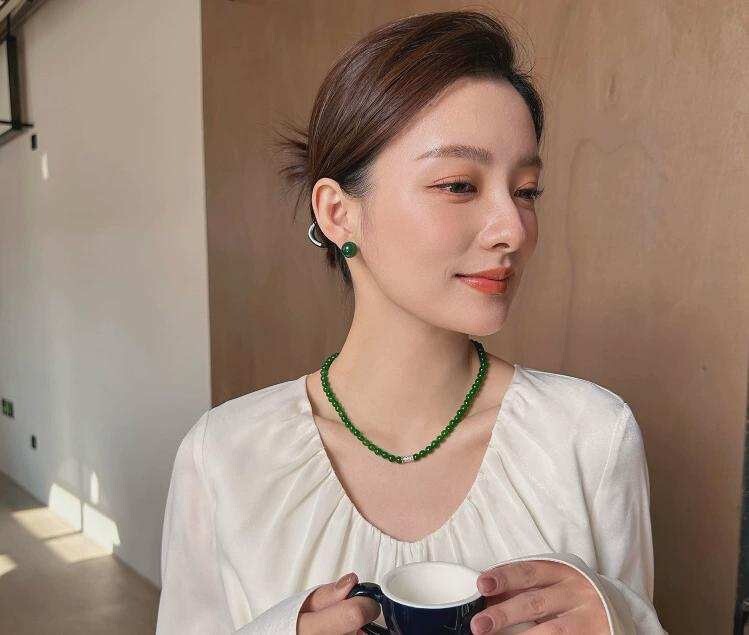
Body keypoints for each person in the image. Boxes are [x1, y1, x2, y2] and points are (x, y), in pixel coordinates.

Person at [155, 9, 667, 634]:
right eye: (458, 185)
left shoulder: (592, 438)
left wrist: (621, 623)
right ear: (338, 213)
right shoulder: (223, 456)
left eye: (527, 190)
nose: (512, 229)